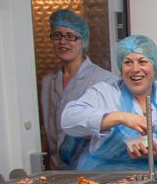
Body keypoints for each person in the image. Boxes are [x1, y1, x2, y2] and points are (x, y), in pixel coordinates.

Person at [61, 34, 157, 171]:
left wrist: (156, 154)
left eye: (142, 61)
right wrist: (121, 117)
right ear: (121, 68)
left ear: (155, 66)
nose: (135, 69)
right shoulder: (104, 94)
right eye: (127, 62)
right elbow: (69, 119)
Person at [39, 10, 115, 170]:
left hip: (92, 168)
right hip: (57, 169)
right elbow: (47, 129)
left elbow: (113, 132)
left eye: (70, 36)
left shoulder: (104, 80)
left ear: (83, 40)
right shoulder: (47, 82)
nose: (62, 42)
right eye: (57, 35)